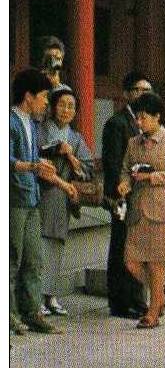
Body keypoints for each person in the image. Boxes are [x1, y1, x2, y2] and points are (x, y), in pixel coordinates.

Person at [121, 89, 165, 328]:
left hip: (163, 212)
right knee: (132, 262)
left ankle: (152, 312)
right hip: (138, 212)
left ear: (157, 117)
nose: (139, 122)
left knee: (156, 264)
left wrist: (151, 177)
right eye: (137, 117)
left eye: (144, 117)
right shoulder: (133, 143)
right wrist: (125, 182)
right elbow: (126, 169)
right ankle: (161, 297)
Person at [10, 67, 61, 335]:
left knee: (33, 259)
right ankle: (9, 315)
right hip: (14, 198)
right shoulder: (10, 121)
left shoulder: (31, 123)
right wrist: (33, 166)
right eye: (42, 96)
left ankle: (31, 312)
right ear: (28, 96)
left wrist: (37, 163)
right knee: (11, 258)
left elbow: (28, 159)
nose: (44, 103)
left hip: (31, 197)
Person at [38, 84, 93, 317]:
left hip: (63, 197)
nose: (66, 110)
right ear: (52, 107)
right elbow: (36, 154)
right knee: (39, 246)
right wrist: (55, 150)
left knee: (57, 246)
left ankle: (51, 295)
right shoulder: (40, 130)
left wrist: (70, 156)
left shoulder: (76, 138)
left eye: (71, 106)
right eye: (62, 104)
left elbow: (87, 169)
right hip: (42, 193)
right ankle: (37, 296)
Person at [102, 72, 149, 318]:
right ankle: (119, 302)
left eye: (147, 90)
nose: (144, 94)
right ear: (127, 94)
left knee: (139, 247)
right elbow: (112, 163)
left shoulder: (146, 123)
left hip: (142, 194)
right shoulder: (116, 123)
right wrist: (118, 192)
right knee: (121, 246)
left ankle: (138, 299)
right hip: (122, 194)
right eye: (139, 90)